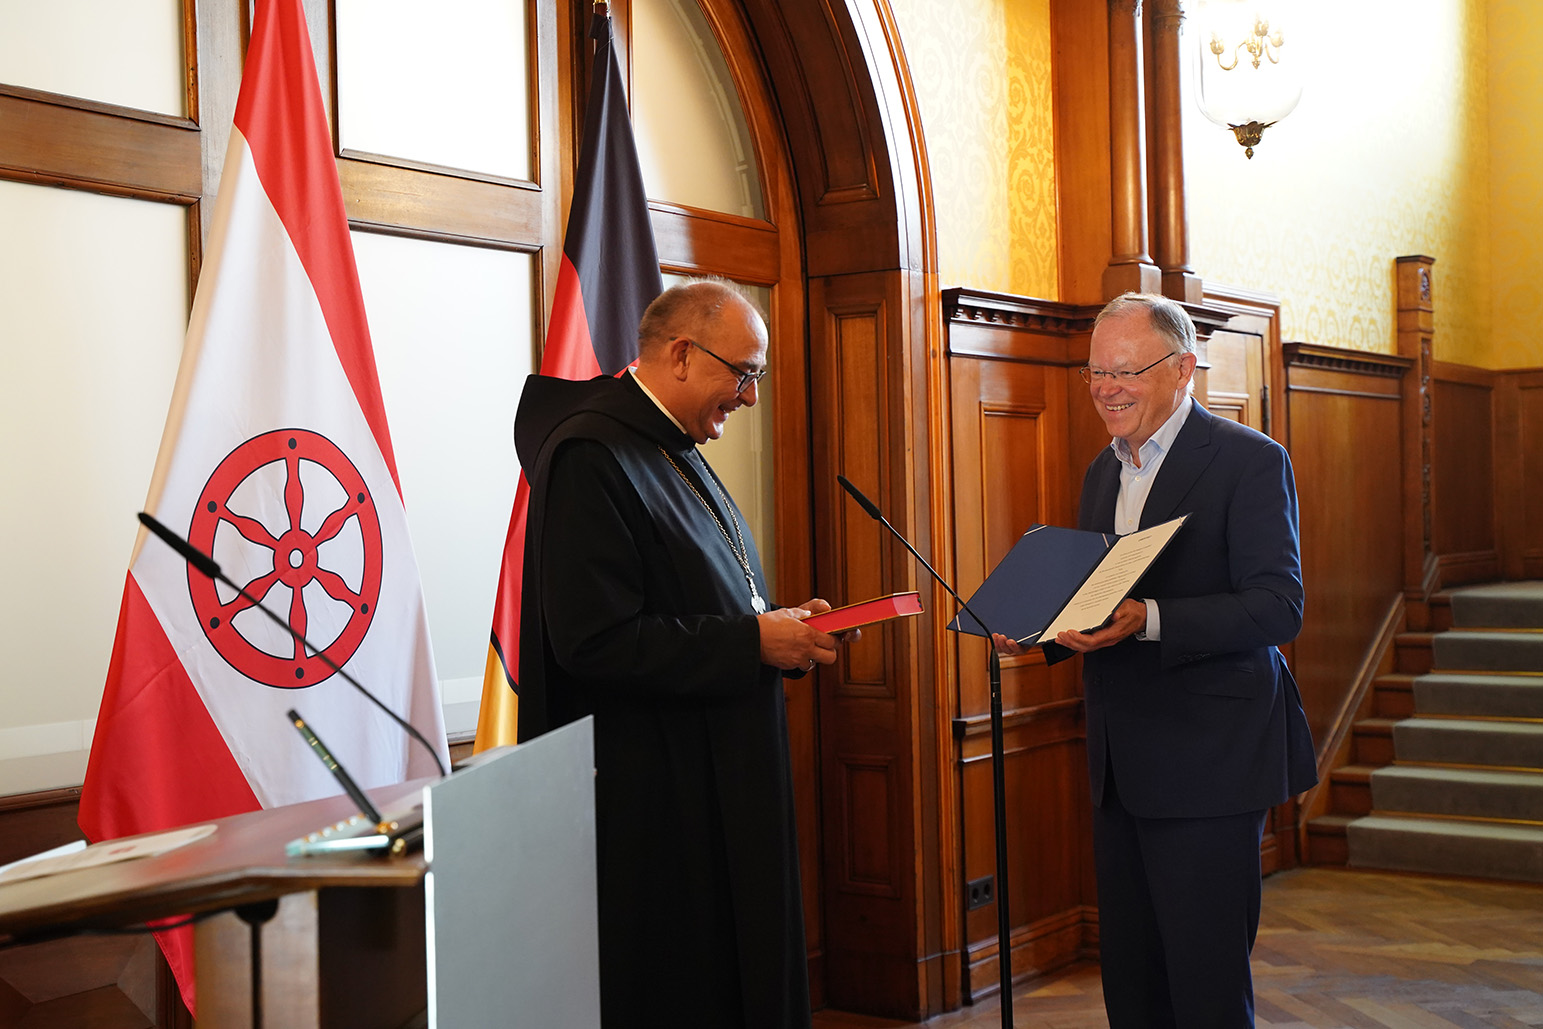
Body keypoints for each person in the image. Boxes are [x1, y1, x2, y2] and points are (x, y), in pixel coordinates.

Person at [515, 279, 843, 1029]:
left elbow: (698, 599)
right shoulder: (592, 454)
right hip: (659, 807)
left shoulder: (669, 446)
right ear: (684, 354)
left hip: (717, 778)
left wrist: (775, 629)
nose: (750, 397)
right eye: (744, 373)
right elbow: (591, 639)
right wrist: (749, 641)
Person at [996, 292, 1316, 1028]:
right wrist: (1035, 631)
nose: (1105, 387)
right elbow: (1096, 597)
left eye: (1124, 371)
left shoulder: (1249, 460)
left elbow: (1278, 606)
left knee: (1204, 986)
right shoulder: (1100, 473)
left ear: (1182, 368)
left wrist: (1152, 620)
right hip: (1120, 765)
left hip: (1211, 761)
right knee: (1132, 984)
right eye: (1094, 372)